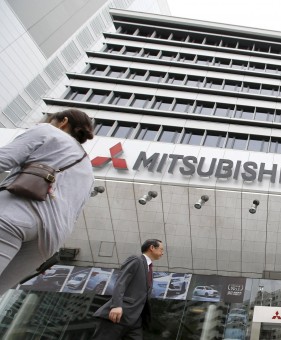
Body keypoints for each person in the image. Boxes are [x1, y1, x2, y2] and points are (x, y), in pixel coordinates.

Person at [0, 108, 94, 294]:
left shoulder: (47, 131)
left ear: (63, 121)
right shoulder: (89, 171)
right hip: (46, 242)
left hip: (14, 215)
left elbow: (3, 160)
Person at [92, 239, 165, 340]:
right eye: (161, 249)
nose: (163, 252)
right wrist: (116, 305)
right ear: (152, 248)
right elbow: (121, 282)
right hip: (119, 315)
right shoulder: (136, 260)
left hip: (135, 321)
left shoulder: (149, 268)